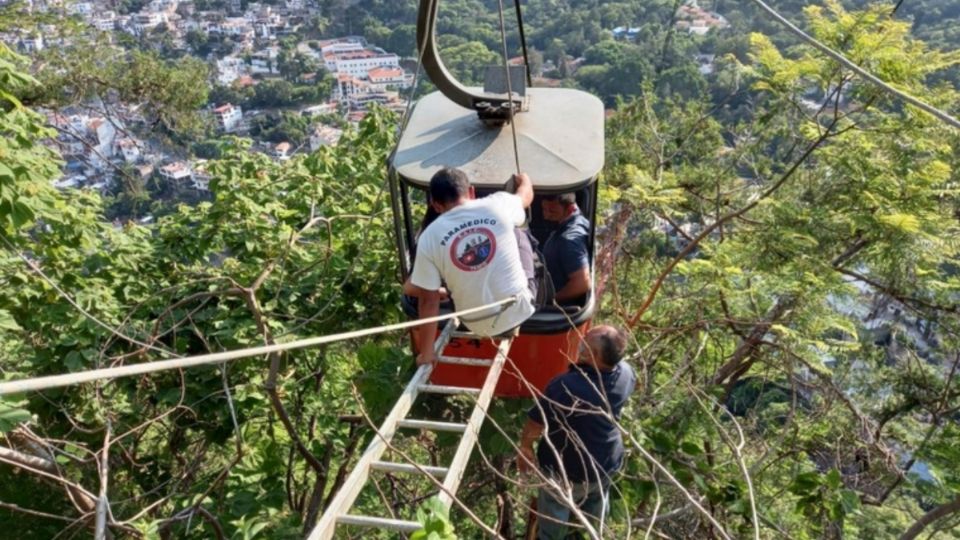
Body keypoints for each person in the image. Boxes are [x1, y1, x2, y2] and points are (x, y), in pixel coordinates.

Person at [406, 167, 537, 365]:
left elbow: (428, 301)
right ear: (472, 192)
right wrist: (524, 179)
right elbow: (526, 195)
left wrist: (427, 353)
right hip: (519, 310)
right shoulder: (498, 204)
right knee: (519, 230)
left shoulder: (428, 238)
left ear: (435, 205)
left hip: (475, 324)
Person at [517, 325, 636, 539]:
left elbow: (536, 423)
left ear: (594, 355)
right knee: (597, 511)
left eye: (586, 340)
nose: (581, 338)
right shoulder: (626, 374)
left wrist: (525, 448)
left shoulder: (565, 386)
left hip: (564, 471)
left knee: (554, 519)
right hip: (605, 464)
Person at [540, 193, 591, 304]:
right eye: (544, 209)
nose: (546, 215)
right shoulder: (581, 222)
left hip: (560, 312)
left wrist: (550, 301)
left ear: (570, 208)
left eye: (552, 211)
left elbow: (582, 283)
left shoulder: (569, 239)